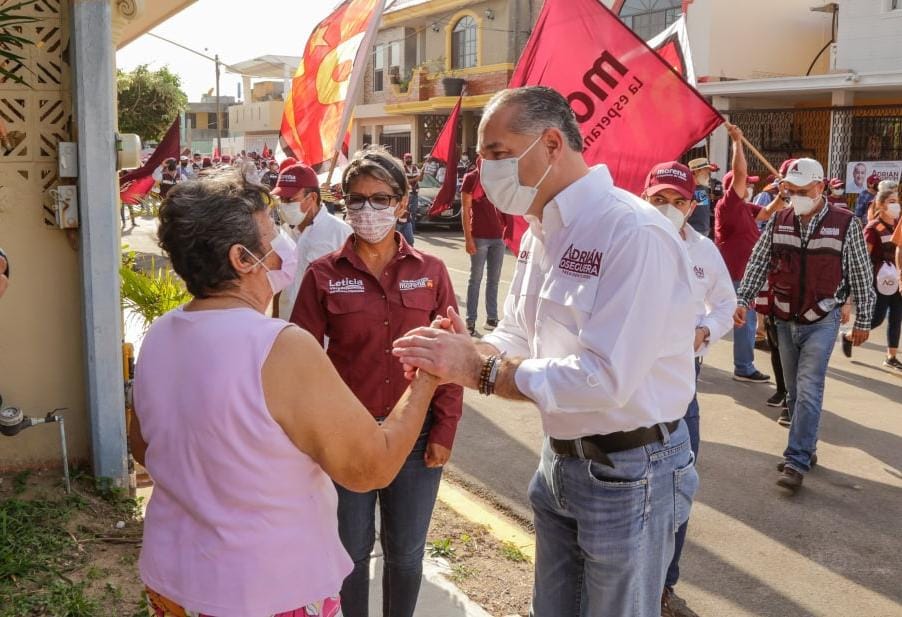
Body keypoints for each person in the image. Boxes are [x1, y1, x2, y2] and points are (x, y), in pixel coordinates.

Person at [393, 86, 699, 617]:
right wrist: (463, 351)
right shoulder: (541, 230)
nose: (485, 168)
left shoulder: (632, 232)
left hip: (630, 471)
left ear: (551, 143)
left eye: (497, 153)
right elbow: (517, 331)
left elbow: (604, 379)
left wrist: (480, 369)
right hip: (561, 460)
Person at [130, 168, 442, 617]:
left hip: (174, 583)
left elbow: (143, 446)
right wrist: (428, 376)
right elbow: (370, 466)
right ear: (242, 258)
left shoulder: (161, 334)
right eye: (270, 232)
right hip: (266, 591)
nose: (281, 243)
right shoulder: (279, 347)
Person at [291, 147, 463, 617]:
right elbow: (300, 364)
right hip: (348, 437)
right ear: (344, 204)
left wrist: (444, 431)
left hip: (415, 437)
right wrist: (314, 439)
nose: (368, 211)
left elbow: (451, 360)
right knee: (350, 554)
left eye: (380, 199)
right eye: (357, 200)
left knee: (406, 555)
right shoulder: (323, 275)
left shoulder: (431, 272)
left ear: (402, 204)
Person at [735, 158, 875, 491]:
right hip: (784, 319)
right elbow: (758, 260)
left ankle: (795, 461)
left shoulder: (845, 223)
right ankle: (807, 448)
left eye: (802, 190)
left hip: (821, 319)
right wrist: (743, 299)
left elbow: (859, 274)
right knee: (796, 393)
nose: (795, 197)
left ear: (820, 186)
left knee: (809, 388)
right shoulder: (780, 220)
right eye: (790, 191)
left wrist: (864, 320)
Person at [641, 162, 736, 617]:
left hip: (682, 385)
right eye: (659, 200)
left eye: (677, 201)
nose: (668, 209)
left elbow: (725, 303)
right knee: (628, 484)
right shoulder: (627, 242)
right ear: (644, 198)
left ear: (692, 204)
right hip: (630, 384)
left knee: (678, 488)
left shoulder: (704, 250)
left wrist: (706, 331)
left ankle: (663, 585)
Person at [714, 124, 780, 384]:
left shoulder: (743, 206)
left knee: (743, 319)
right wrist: (737, 142)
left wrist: (782, 196)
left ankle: (743, 364)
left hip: (746, 271)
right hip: (736, 273)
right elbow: (740, 171)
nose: (750, 186)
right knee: (745, 319)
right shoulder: (729, 204)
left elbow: (766, 213)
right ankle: (743, 367)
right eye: (747, 184)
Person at [272, 162, 351, 319]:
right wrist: (275, 318)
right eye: (281, 199)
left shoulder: (340, 233)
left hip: (323, 331)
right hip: (287, 325)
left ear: (312, 197)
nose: (284, 205)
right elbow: (279, 284)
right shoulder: (283, 233)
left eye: (289, 200)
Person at [461, 163, 507, 336]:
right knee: (475, 279)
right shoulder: (471, 178)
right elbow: (465, 211)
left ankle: (492, 318)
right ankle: (470, 320)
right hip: (479, 237)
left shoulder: (499, 177)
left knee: (494, 280)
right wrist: (468, 239)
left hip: (499, 237)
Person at [863, 189, 902, 369]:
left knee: (896, 316)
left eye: (897, 201)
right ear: (881, 204)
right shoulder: (873, 228)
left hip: (898, 277)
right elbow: (864, 257)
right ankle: (849, 335)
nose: (896, 205)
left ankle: (891, 357)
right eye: (891, 201)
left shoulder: (898, 225)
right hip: (880, 278)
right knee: (878, 317)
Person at [687, 157, 714, 235]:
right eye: (705, 170)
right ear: (696, 171)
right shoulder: (687, 188)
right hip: (692, 232)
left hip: (704, 231)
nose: (708, 172)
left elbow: (703, 210)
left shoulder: (703, 187)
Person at [402, 153, 420, 242]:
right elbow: (405, 181)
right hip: (407, 193)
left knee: (414, 212)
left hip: (415, 192)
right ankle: (407, 229)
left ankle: (413, 228)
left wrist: (421, 174)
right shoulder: (402, 169)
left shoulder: (415, 168)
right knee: (407, 211)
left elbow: (420, 178)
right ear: (404, 159)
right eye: (407, 158)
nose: (409, 160)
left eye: (410, 158)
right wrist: (415, 179)